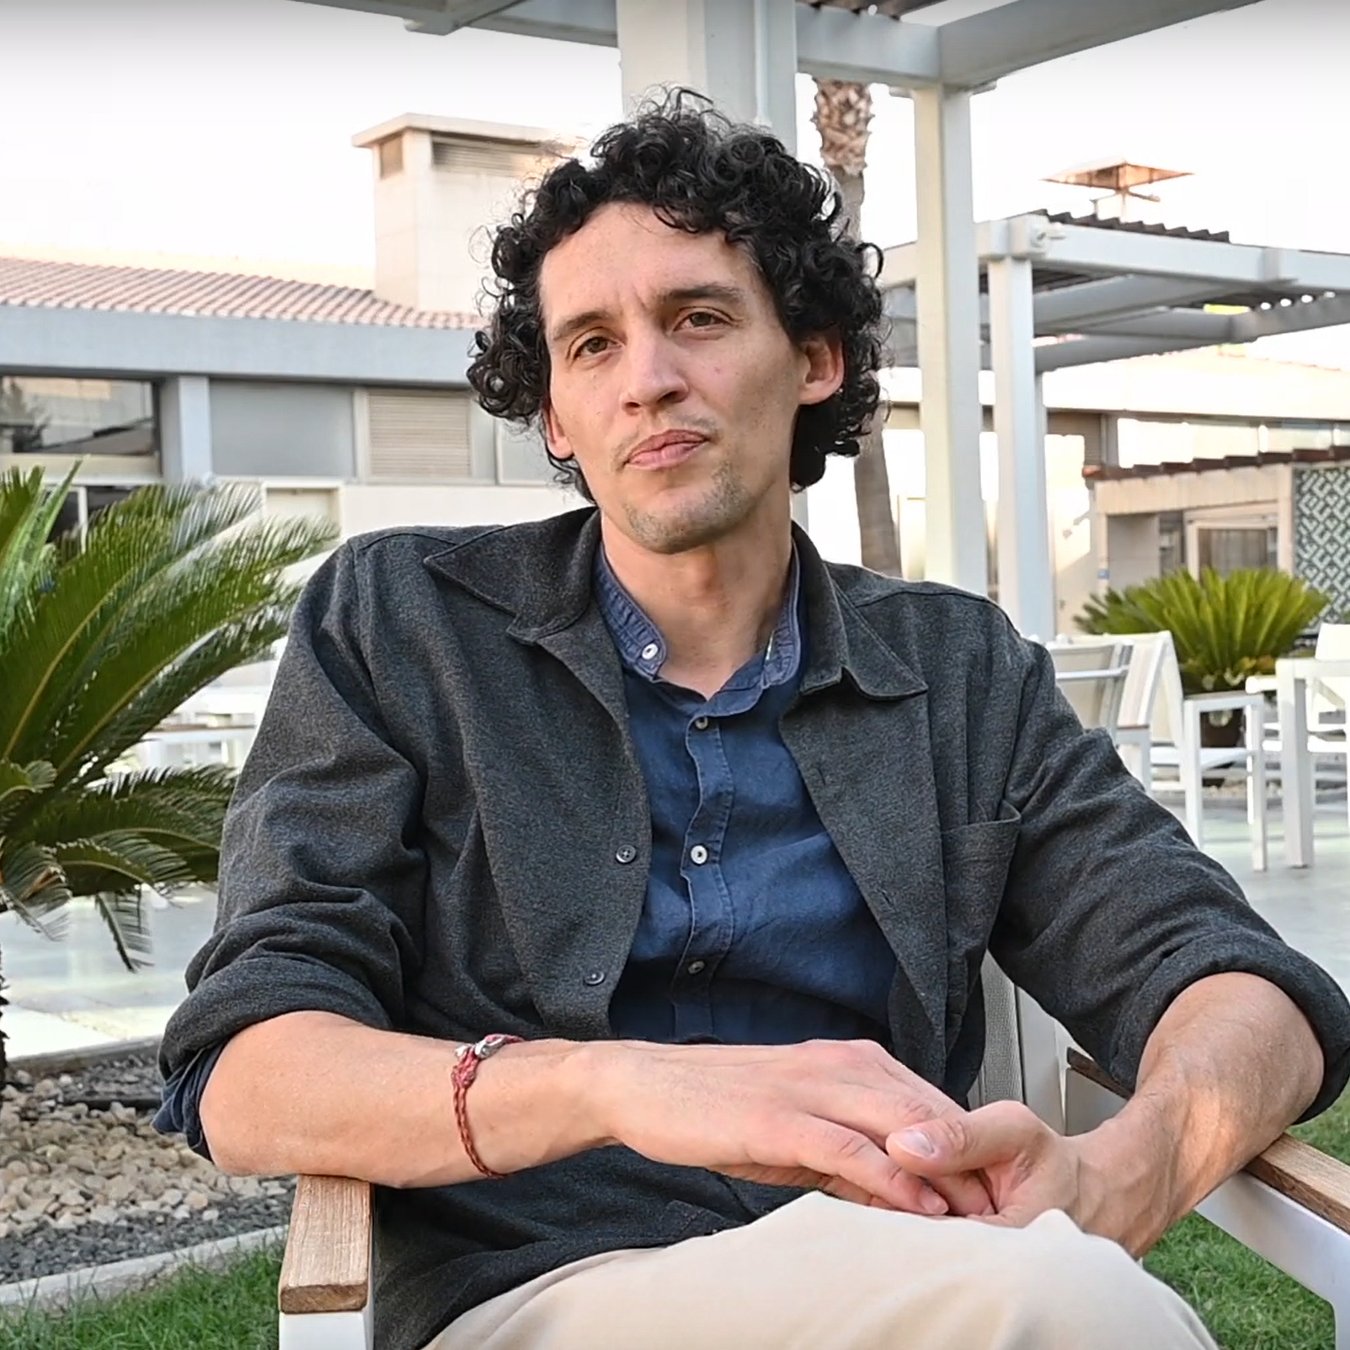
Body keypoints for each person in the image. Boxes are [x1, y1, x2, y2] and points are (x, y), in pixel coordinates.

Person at [156, 93, 1350, 1350]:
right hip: (540, 1296)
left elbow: (1238, 987)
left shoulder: (954, 672)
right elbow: (249, 1068)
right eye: (592, 346)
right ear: (556, 416)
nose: (648, 381)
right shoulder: (406, 625)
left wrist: (1125, 1174)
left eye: (699, 319)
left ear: (817, 359)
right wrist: (624, 1089)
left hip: (909, 1267)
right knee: (1069, 1311)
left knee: (1062, 1292)